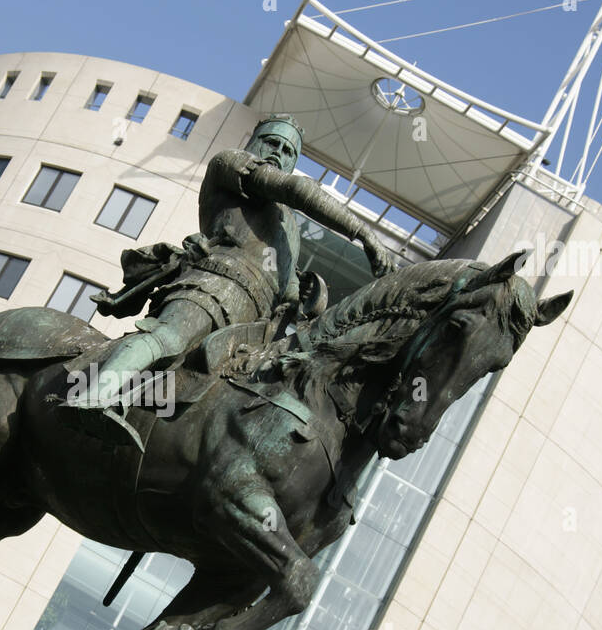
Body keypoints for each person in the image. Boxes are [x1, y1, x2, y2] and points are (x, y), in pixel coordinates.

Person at [68, 114, 397, 414]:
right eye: (272, 142)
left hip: (253, 324)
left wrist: (310, 298)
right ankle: (91, 397)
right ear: (253, 142)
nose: (278, 153)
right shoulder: (230, 164)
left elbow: (287, 288)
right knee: (169, 339)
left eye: (287, 151)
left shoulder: (289, 226)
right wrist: (364, 234)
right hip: (212, 285)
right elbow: (296, 188)